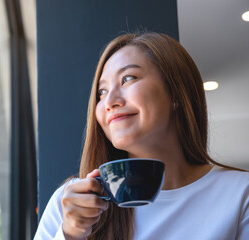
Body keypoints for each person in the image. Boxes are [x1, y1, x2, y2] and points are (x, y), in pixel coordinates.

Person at [34, 32, 249, 240]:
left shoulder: (240, 195)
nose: (109, 102)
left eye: (128, 79)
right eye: (102, 92)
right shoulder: (70, 204)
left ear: (175, 93)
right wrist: (69, 235)